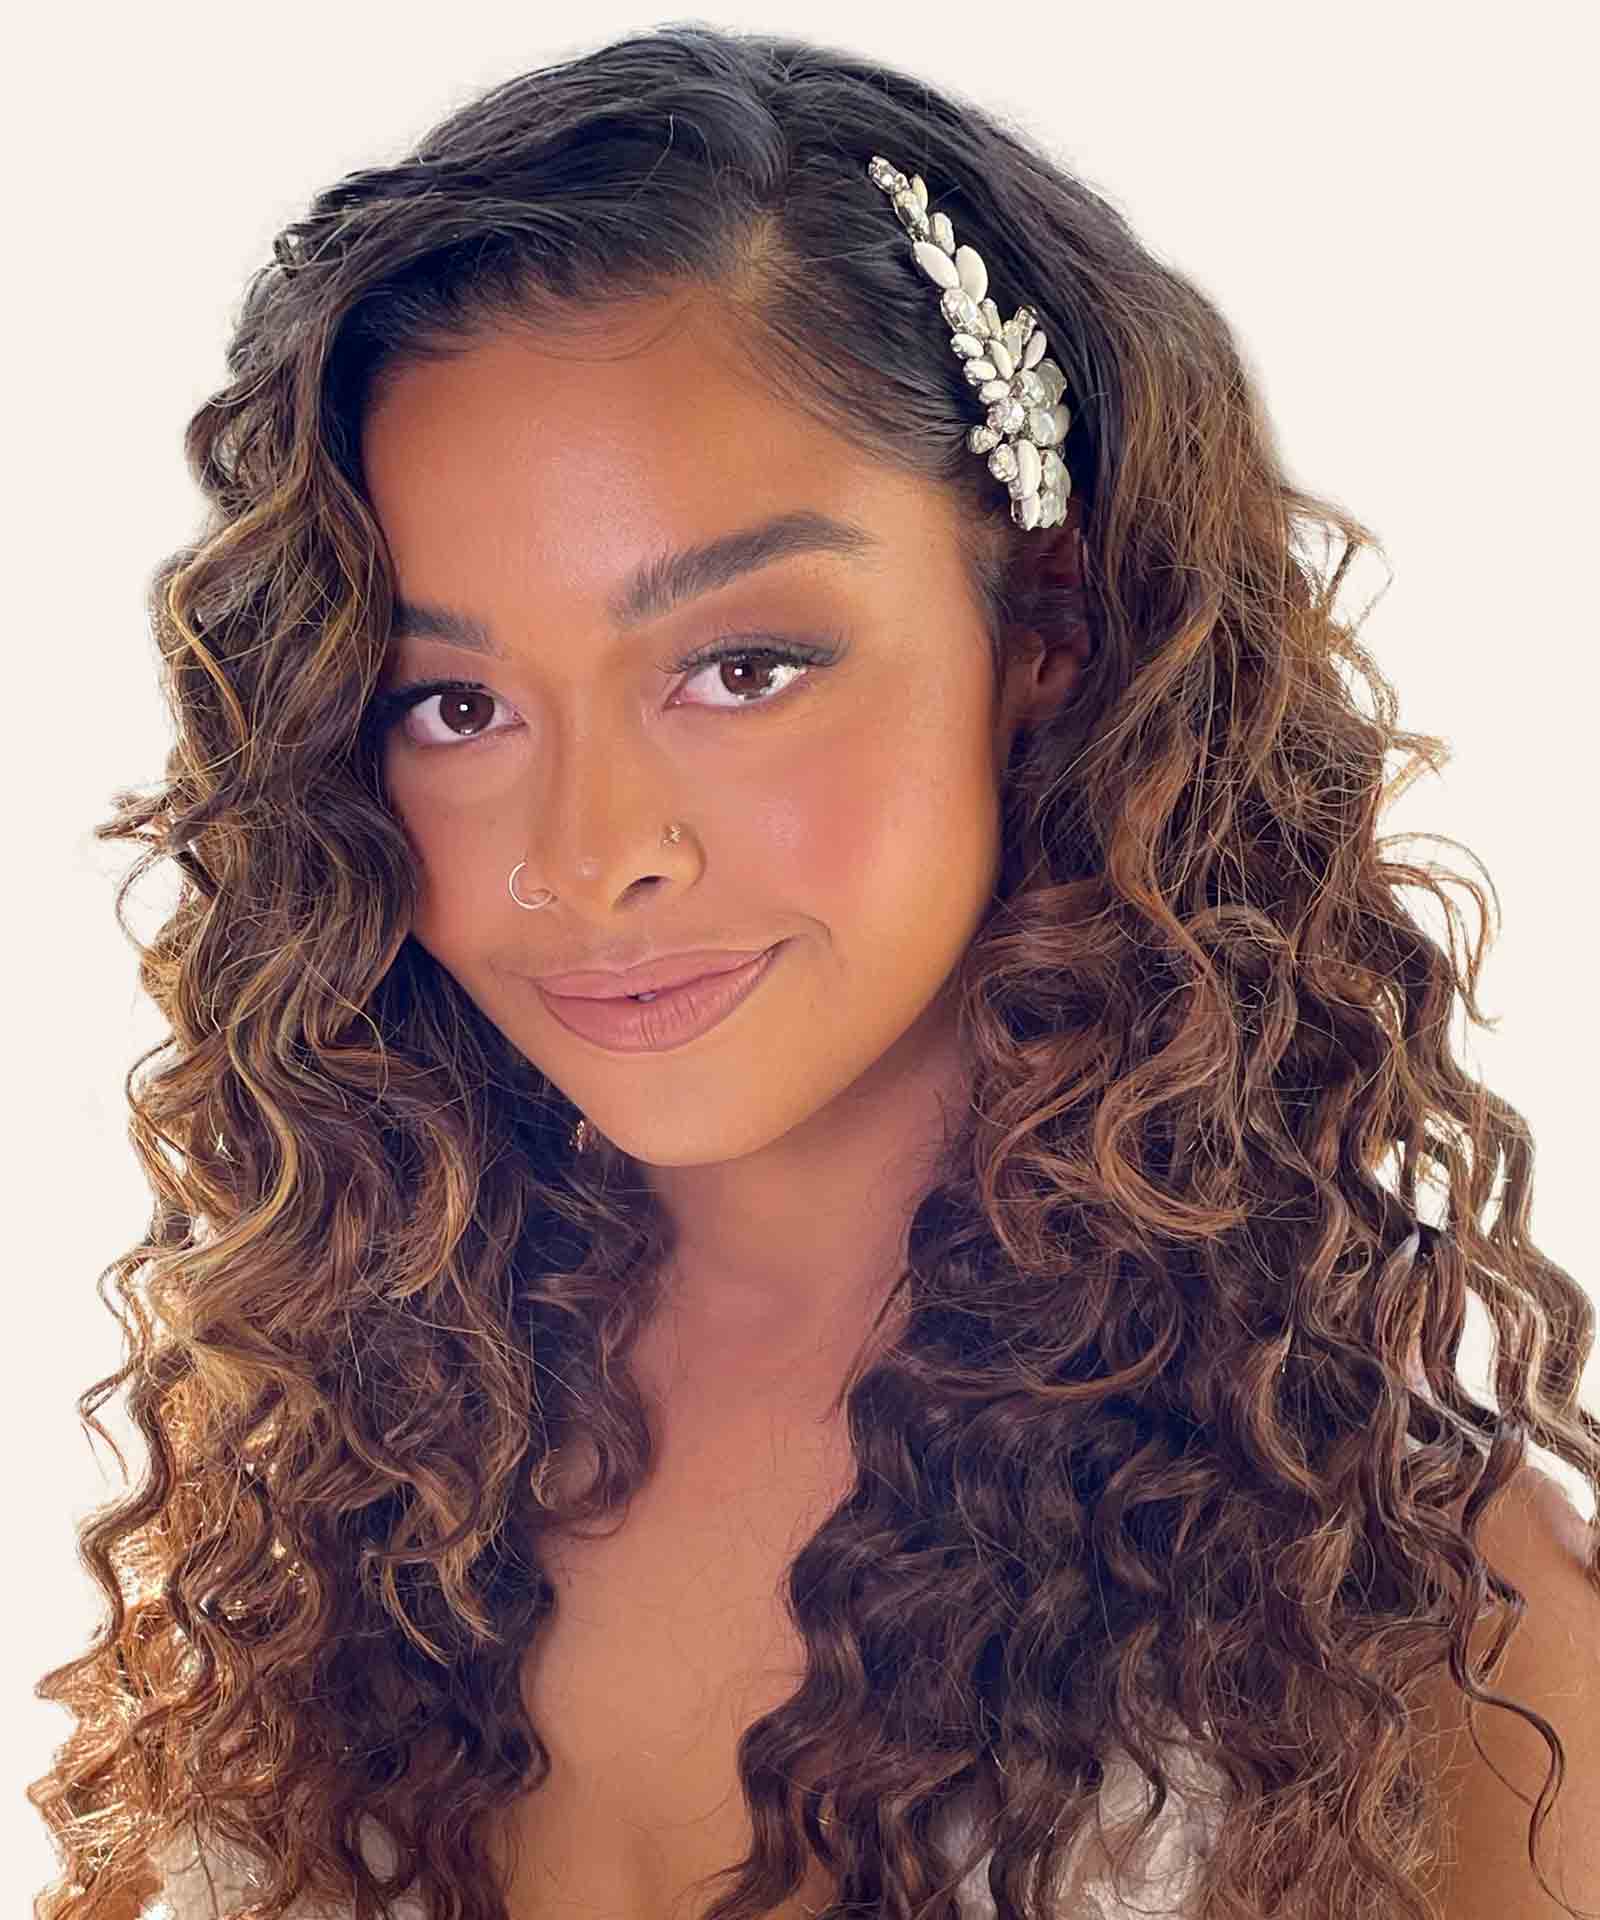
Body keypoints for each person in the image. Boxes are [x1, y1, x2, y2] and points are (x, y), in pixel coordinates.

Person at [31, 24, 1599, 1920]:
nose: (590, 849)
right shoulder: (340, 1468)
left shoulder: (1392, 1610)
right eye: (454, 703)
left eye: (740, 669)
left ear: (1047, 634)